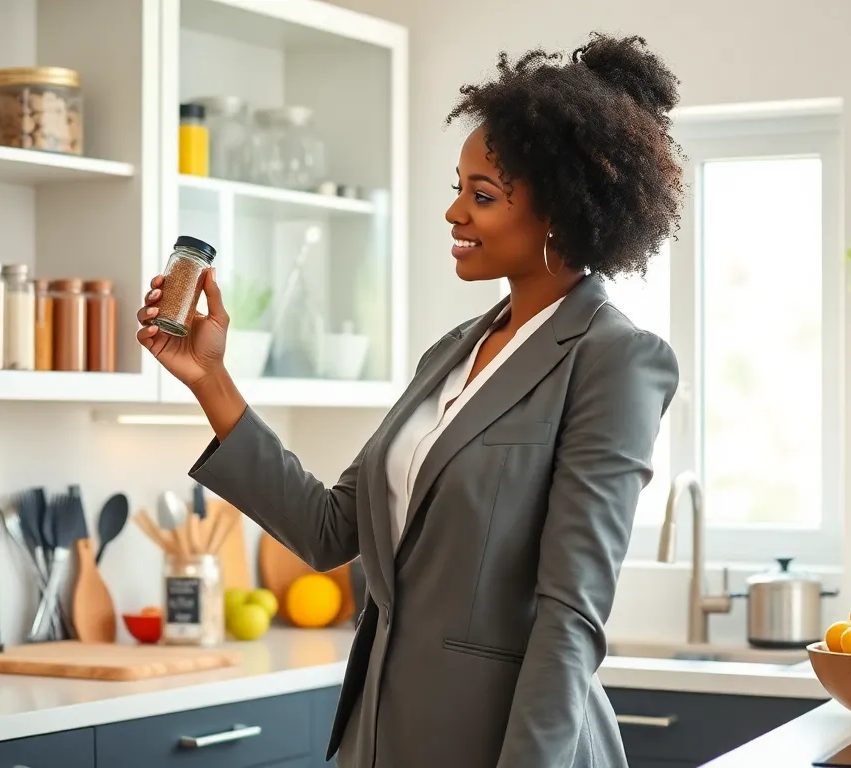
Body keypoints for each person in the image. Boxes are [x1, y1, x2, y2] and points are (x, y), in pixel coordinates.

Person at [138, 31, 684, 768]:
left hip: (510, 747)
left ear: (558, 212)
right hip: (381, 737)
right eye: (458, 189)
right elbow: (331, 528)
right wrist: (210, 380)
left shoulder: (615, 359)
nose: (455, 213)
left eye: (482, 196)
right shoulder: (453, 351)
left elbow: (570, 615)